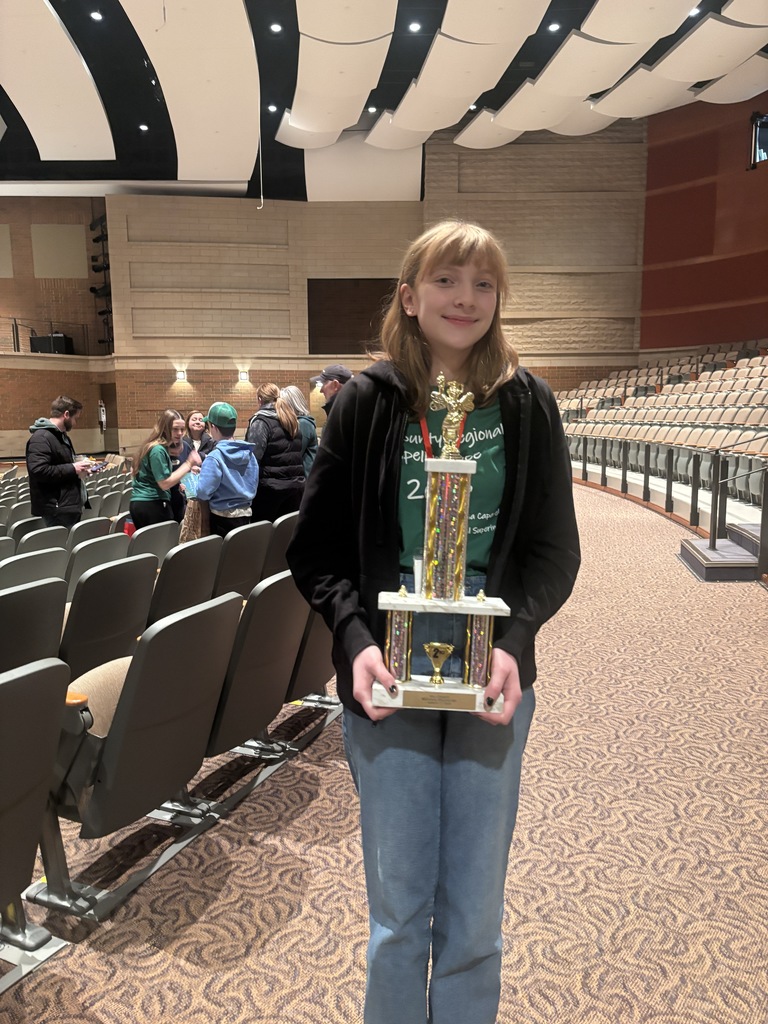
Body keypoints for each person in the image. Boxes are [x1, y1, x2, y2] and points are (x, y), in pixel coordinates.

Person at [287, 221, 581, 1024]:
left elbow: (556, 552)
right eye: (448, 281)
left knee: (477, 910)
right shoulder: (366, 407)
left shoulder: (526, 404)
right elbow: (313, 553)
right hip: (388, 678)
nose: (466, 298)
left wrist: (515, 643)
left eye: (483, 283)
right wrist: (353, 643)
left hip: (490, 679)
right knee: (398, 910)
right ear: (410, 299)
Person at [26, 395, 94, 528]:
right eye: (75, 418)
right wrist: (73, 468)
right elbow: (38, 470)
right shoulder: (41, 438)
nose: (75, 423)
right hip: (56, 509)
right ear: (66, 414)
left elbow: (63, 466)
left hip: (68, 505)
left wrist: (80, 469)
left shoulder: (62, 437)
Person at [130, 409, 201, 530]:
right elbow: (164, 483)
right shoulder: (157, 450)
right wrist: (188, 464)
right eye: (175, 429)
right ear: (164, 428)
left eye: (182, 429)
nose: (179, 433)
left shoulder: (154, 446)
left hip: (145, 503)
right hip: (152, 503)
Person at [195, 402, 258, 537]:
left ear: (213, 427)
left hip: (221, 520)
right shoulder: (249, 453)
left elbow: (203, 492)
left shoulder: (214, 457)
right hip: (246, 515)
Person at [245, 383, 304, 523]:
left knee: (265, 537)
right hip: (295, 488)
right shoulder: (292, 420)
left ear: (260, 400)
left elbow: (253, 459)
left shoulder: (261, 421)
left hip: (271, 490)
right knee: (286, 534)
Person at [280, 385, 318, 476]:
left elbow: (295, 453)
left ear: (291, 405)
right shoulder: (298, 422)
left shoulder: (303, 423)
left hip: (305, 479)